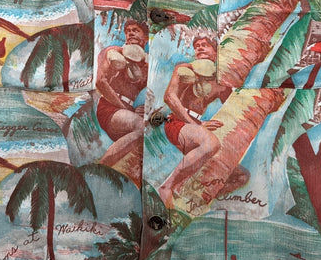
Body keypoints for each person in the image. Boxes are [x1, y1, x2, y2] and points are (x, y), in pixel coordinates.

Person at [158, 34, 248, 207]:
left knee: (241, 176)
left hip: (197, 129)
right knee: (210, 144)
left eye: (204, 45)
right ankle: (167, 186)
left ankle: (191, 196)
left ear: (215, 52)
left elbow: (234, 106)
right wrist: (196, 124)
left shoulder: (220, 81)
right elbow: (169, 97)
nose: (199, 47)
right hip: (178, 122)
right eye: (196, 45)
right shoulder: (185, 69)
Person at [95, 19, 148, 173]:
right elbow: (100, 82)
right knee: (141, 127)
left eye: (135, 30)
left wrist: (144, 109)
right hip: (109, 108)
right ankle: (100, 169)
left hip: (127, 111)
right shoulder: (115, 52)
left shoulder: (147, 64)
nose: (130, 33)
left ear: (145, 38)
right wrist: (123, 106)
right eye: (128, 31)